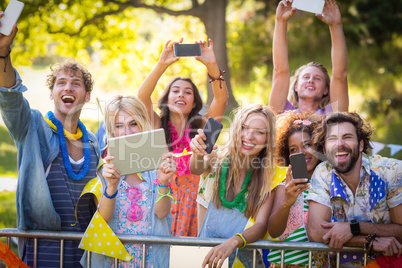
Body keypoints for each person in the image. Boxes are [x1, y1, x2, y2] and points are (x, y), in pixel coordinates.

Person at [0, 20, 100, 267]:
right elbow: (10, 97)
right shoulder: (31, 127)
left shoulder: (94, 143)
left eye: (76, 83)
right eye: (61, 82)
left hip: (86, 255)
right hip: (42, 251)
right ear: (52, 92)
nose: (68, 87)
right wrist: (3, 51)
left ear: (87, 96)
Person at [137, 38, 228, 237]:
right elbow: (142, 97)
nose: (181, 95)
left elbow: (221, 99)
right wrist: (162, 64)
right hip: (164, 205)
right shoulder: (156, 126)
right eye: (175, 91)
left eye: (188, 93)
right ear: (166, 98)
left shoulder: (204, 127)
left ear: (194, 102)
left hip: (198, 208)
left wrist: (212, 65)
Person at [82, 95, 176, 267]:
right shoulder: (105, 169)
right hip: (114, 261)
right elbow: (103, 218)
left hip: (150, 260)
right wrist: (111, 186)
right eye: (119, 126)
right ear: (112, 130)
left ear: (143, 125)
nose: (127, 132)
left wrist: (162, 182)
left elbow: (162, 213)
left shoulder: (157, 166)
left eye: (133, 124)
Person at [306, 112, 402, 266]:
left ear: (361, 144)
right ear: (324, 150)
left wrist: (355, 228)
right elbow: (316, 232)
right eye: (332, 139)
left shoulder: (391, 171)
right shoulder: (323, 172)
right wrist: (369, 241)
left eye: (347, 137)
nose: (339, 144)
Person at [190, 104, 276, 268]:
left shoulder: (268, 176)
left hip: (245, 263)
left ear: (268, 139)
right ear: (236, 128)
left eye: (260, 132)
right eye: (244, 128)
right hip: (205, 259)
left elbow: (260, 225)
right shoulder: (215, 159)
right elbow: (196, 167)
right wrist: (197, 152)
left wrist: (233, 242)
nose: (249, 136)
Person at [265, 111, 326, 267]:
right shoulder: (283, 185)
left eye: (307, 145)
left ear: (319, 145)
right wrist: (286, 202)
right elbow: (273, 231)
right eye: (293, 149)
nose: (301, 152)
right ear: (287, 154)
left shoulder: (329, 181)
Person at [269, 0, 348, 115]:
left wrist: (336, 25)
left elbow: (340, 76)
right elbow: (280, 70)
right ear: (296, 86)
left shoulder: (332, 115)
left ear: (326, 89)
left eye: (317, 78)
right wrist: (280, 21)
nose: (311, 80)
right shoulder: (282, 111)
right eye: (306, 77)